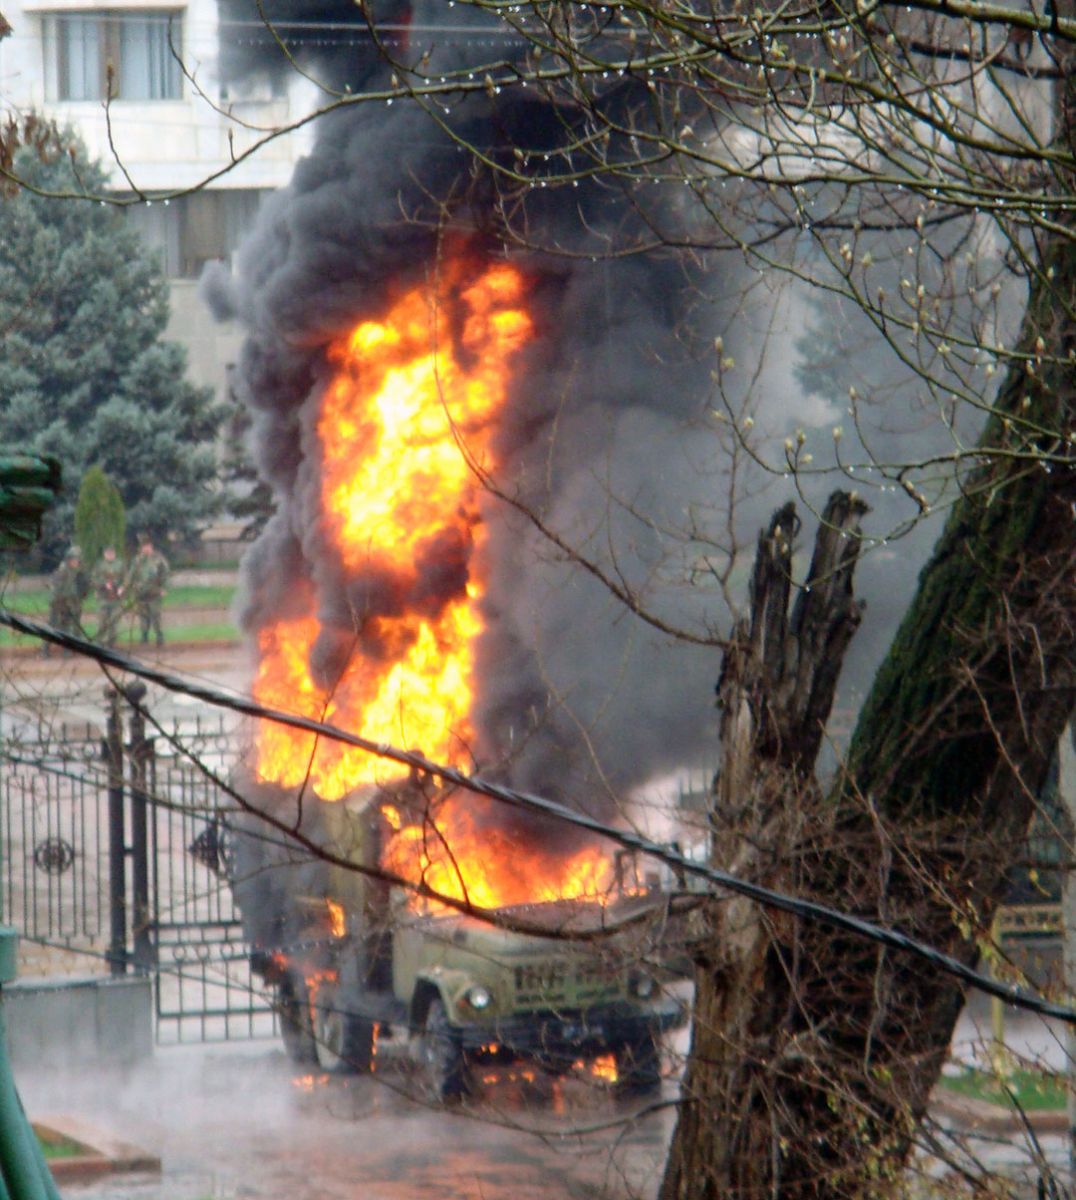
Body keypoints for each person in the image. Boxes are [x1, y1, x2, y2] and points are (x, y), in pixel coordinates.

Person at [126, 534, 170, 647]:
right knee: (143, 615)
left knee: (155, 615)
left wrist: (163, 588)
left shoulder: (159, 560)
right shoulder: (137, 560)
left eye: (147, 546)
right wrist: (126, 587)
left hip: (154, 592)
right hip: (140, 593)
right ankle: (144, 636)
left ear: (151, 546)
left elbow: (165, 575)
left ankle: (159, 637)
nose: (146, 549)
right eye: (143, 546)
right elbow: (131, 575)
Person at [44, 545, 85, 656]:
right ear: (69, 560)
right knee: (53, 626)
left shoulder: (74, 571)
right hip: (58, 603)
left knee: (66, 626)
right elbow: (55, 587)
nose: (77, 561)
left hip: (67, 603)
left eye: (77, 559)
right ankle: (45, 650)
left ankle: (66, 650)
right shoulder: (63, 571)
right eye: (74, 559)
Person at [90, 545, 126, 647]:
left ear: (114, 553)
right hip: (103, 598)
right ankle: (99, 644)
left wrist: (122, 587)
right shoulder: (99, 565)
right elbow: (93, 579)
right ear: (104, 554)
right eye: (108, 553)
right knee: (102, 622)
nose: (110, 555)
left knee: (114, 623)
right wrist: (103, 584)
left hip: (116, 598)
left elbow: (126, 578)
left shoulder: (120, 564)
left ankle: (111, 644)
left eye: (112, 553)